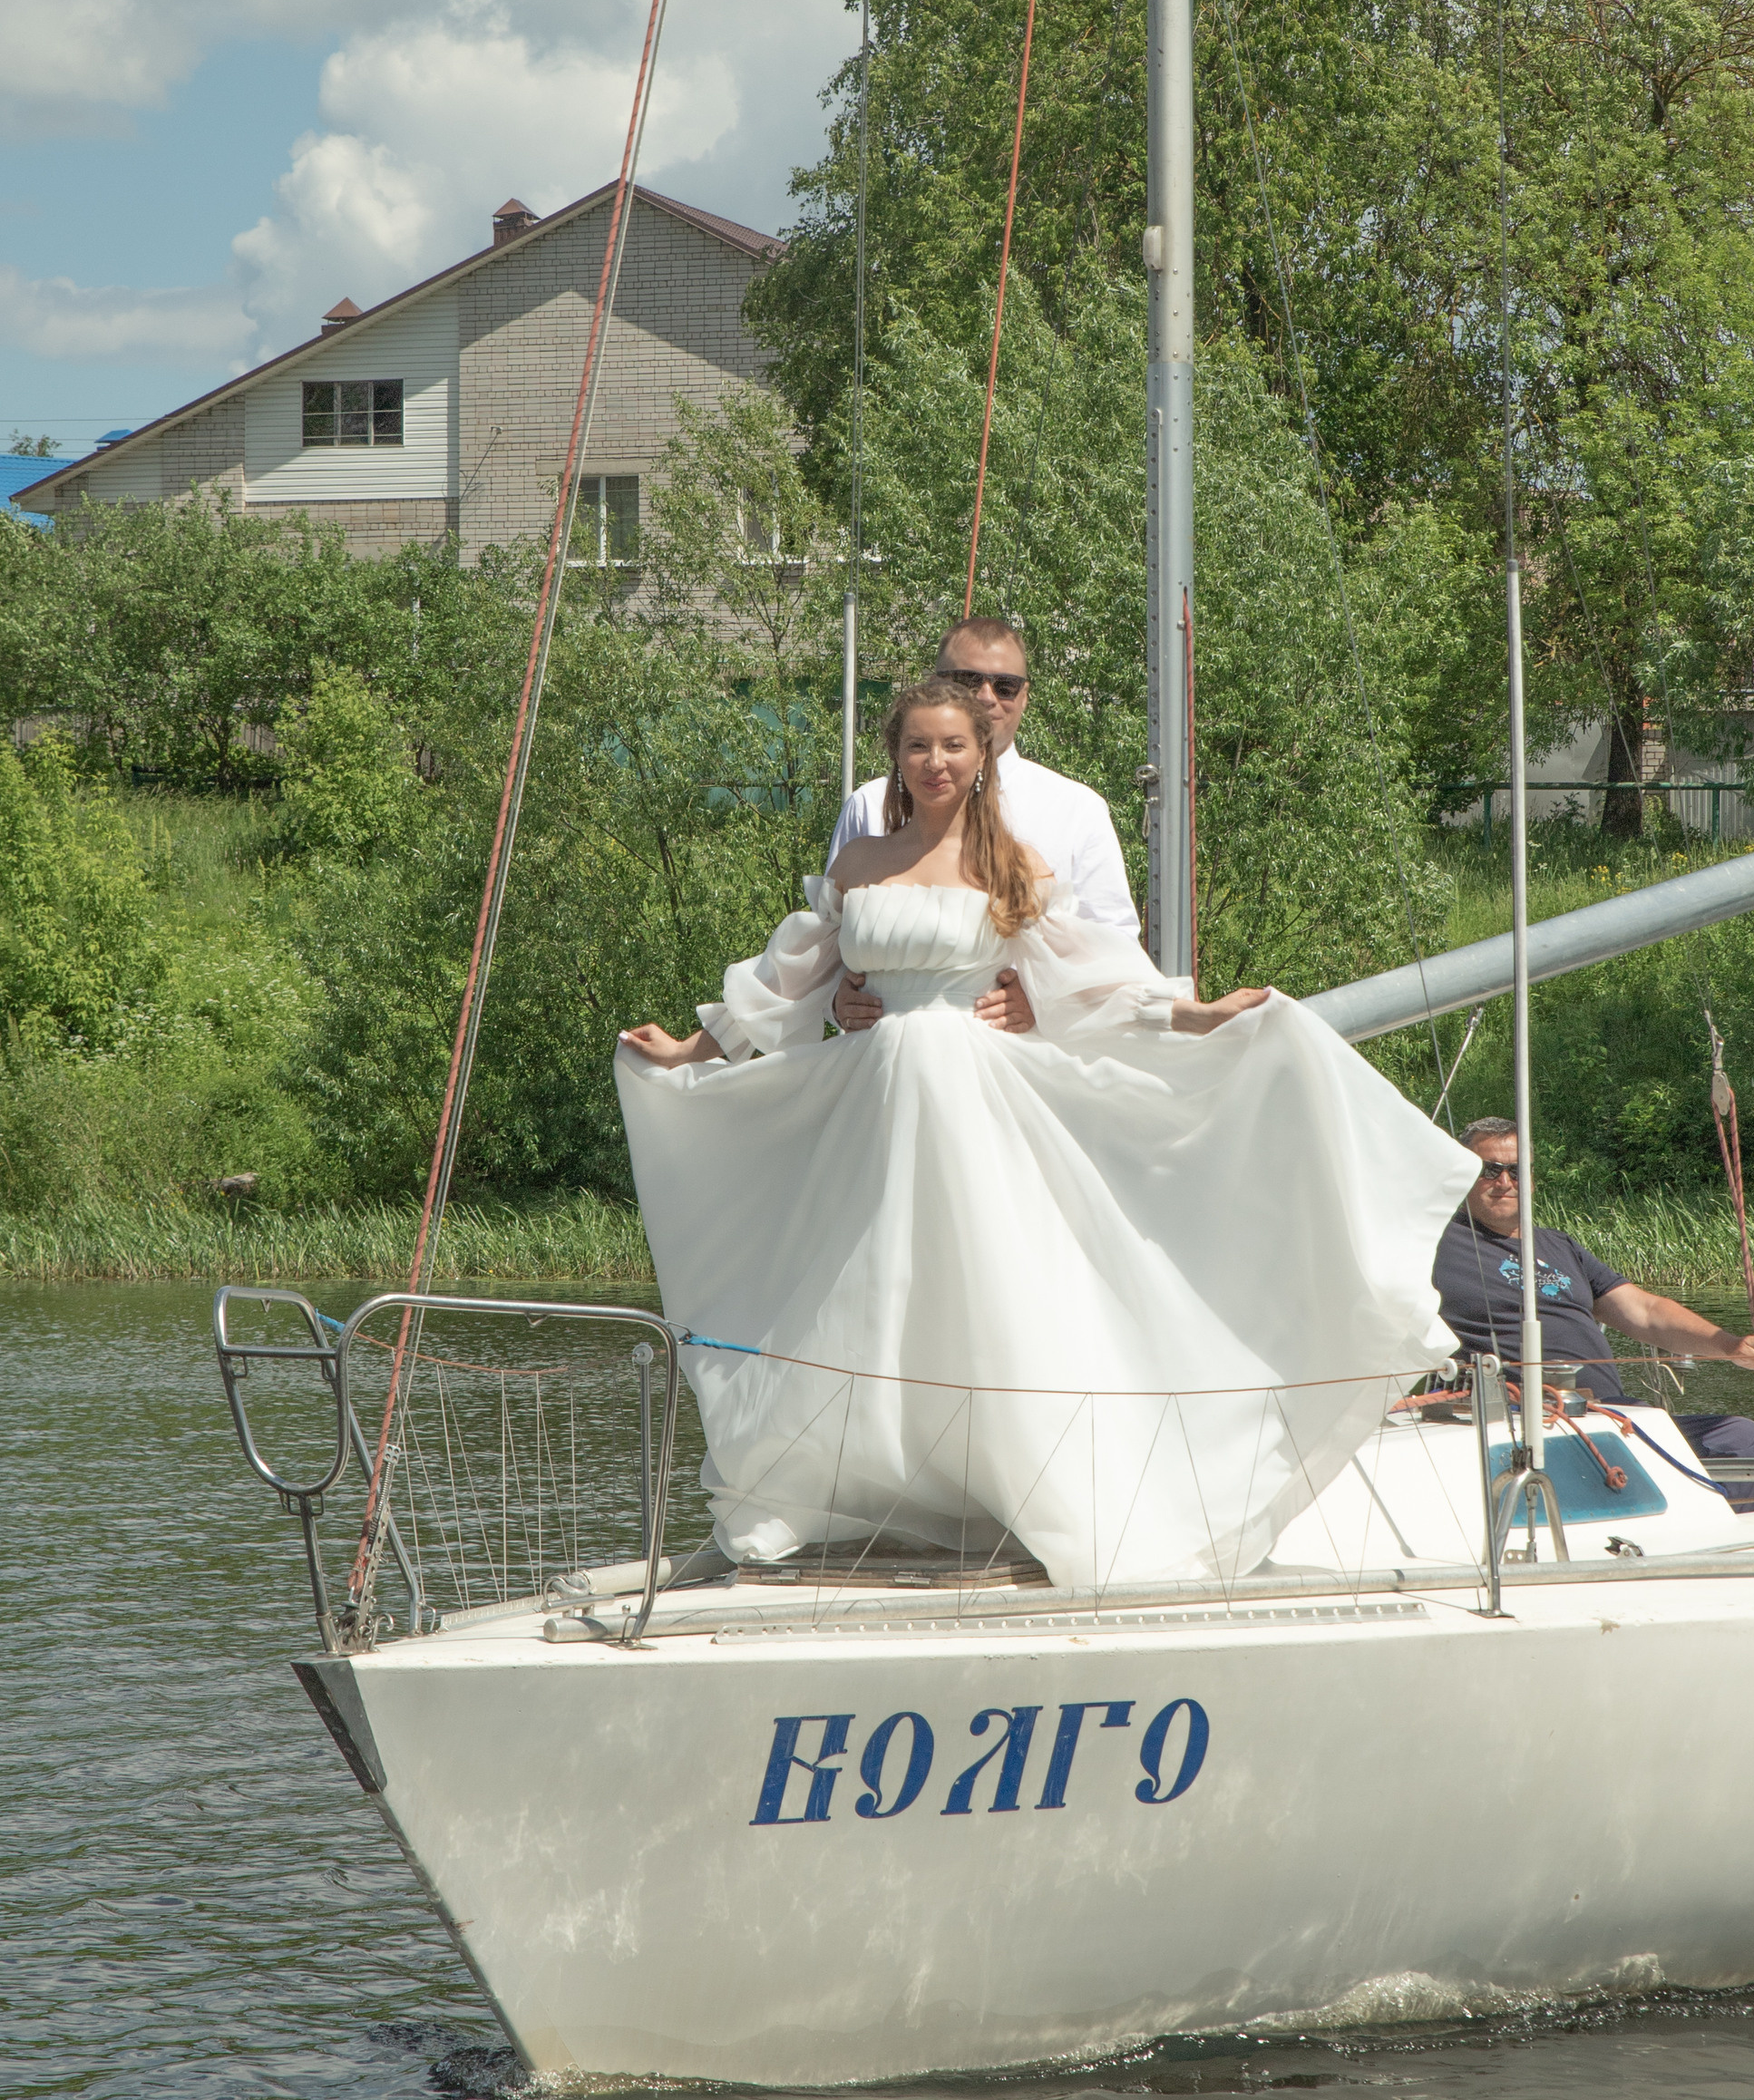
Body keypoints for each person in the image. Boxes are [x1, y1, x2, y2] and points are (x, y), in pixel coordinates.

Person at [618, 675, 1476, 1591]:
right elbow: (786, 982)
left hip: (976, 1098)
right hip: (875, 1105)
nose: (936, 761)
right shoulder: (858, 865)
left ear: (981, 755)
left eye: (953, 745)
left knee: (989, 1284)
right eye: (918, 746)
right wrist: (693, 1049)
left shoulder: (1013, 866)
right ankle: (865, 1488)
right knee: (870, 1288)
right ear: (895, 758)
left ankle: (1022, 1488)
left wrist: (1195, 1013)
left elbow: (1091, 977)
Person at [1434, 1117, 1754, 1509]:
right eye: (1490, 1170)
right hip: (1521, 1421)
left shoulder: (1559, 1245)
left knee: (1740, 1438)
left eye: (1517, 1171)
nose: (1505, 1182)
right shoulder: (1434, 1246)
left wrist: (1731, 1345)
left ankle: (1723, 1539)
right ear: (1464, 1174)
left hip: (1608, 1413)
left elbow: (1645, 1312)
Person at [827, 615, 1134, 1039]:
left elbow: (1112, 947)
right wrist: (835, 1000)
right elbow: (826, 952)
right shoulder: (869, 805)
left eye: (1005, 686)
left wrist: (1043, 1000)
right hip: (877, 1057)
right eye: (967, 681)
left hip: (1016, 1057)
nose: (986, 697)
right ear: (935, 684)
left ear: (1024, 696)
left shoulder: (1077, 808)